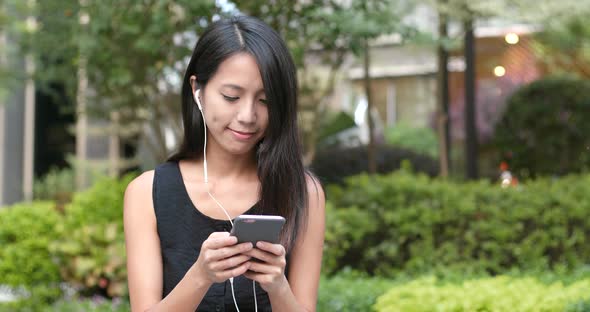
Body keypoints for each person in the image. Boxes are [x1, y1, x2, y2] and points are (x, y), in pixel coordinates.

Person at [123, 15, 325, 312]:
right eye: (231, 96)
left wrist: (277, 286)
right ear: (198, 91)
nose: (247, 115)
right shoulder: (147, 193)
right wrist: (200, 277)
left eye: (265, 101)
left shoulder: (304, 193)